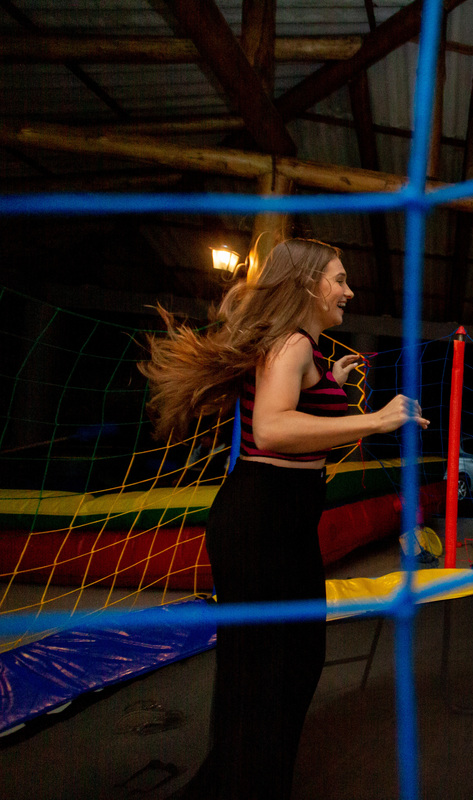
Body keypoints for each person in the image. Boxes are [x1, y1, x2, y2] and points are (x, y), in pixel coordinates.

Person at [140, 238, 427, 799]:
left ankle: (242, 784)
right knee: (272, 672)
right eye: (339, 279)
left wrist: (331, 381)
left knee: (284, 664)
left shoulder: (302, 350)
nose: (348, 291)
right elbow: (271, 429)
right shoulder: (291, 343)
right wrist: (375, 421)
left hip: (281, 521)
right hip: (262, 519)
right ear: (307, 285)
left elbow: (295, 407)